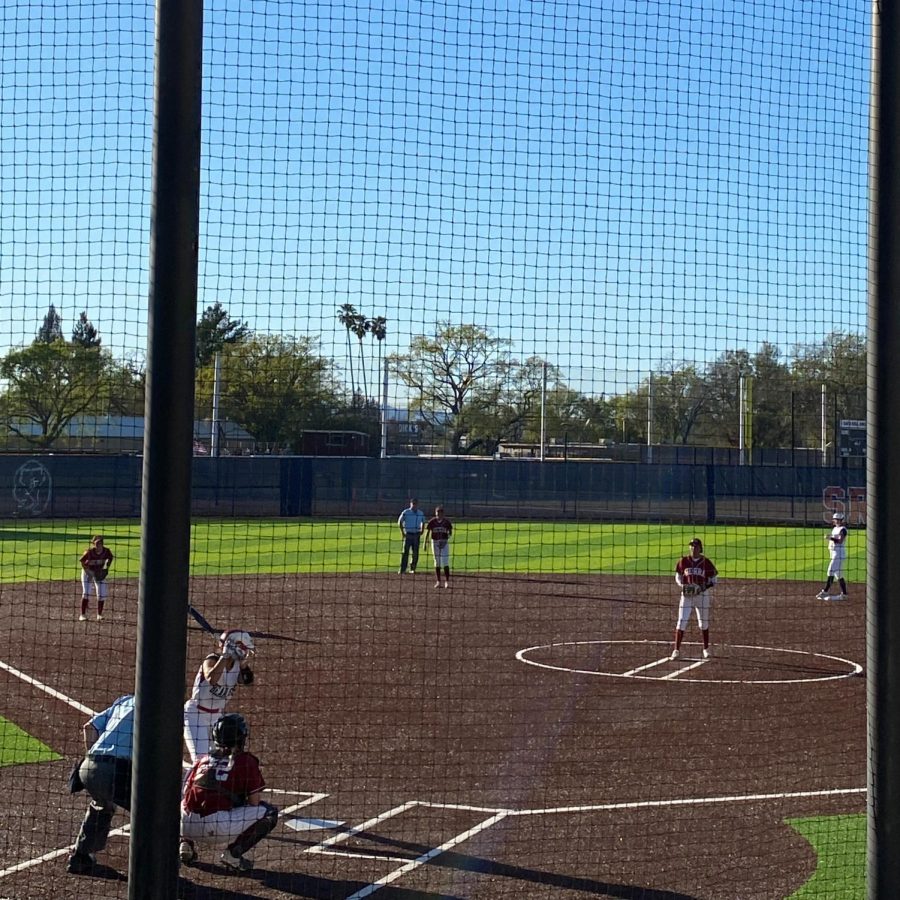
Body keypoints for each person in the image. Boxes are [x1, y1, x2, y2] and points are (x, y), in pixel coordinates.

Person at [180, 712, 279, 873]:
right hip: (216, 828)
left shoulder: (202, 760)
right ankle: (232, 855)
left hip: (183, 824)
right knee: (269, 812)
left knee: (188, 800)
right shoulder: (245, 761)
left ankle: (185, 844)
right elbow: (254, 802)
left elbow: (186, 791)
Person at [66, 694, 135, 874]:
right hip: (115, 769)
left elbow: (89, 727)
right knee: (151, 813)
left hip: (89, 765)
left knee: (102, 805)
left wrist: (96, 763)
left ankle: (80, 857)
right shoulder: (157, 710)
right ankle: (152, 866)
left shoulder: (125, 701)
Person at [183, 629, 256, 763]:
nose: (246, 652)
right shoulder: (212, 659)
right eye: (244, 648)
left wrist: (244, 666)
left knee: (220, 759)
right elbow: (211, 678)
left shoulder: (238, 665)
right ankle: (190, 784)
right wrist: (224, 656)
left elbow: (248, 682)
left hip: (217, 717)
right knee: (201, 760)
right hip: (196, 714)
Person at [670, 538, 718, 661]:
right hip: (686, 596)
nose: (693, 548)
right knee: (681, 621)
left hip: (702, 596)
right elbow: (678, 577)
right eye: (691, 546)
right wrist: (683, 586)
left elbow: (714, 580)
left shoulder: (706, 562)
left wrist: (702, 587)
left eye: (695, 546)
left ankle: (706, 649)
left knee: (703, 623)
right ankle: (676, 650)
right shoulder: (683, 561)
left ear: (700, 548)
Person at [79, 535, 113, 621]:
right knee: (86, 592)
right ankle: (82, 615)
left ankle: (99, 615)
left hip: (99, 572)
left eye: (100, 543)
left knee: (101, 593)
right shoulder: (89, 552)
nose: (98, 546)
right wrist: (88, 572)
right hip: (87, 572)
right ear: (93, 544)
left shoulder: (106, 551)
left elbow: (110, 558)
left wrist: (106, 567)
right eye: (96, 544)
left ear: (102, 544)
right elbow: (82, 561)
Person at [817, 511, 849, 600]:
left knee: (830, 571)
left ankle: (825, 591)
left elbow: (840, 541)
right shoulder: (835, 528)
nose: (837, 521)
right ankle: (844, 594)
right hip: (833, 553)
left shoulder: (843, 529)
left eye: (839, 520)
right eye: (836, 519)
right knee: (838, 575)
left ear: (841, 520)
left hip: (838, 554)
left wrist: (829, 537)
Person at [426, 506, 453, 588]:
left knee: (445, 561)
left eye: (440, 514)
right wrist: (425, 543)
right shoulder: (432, 522)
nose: (439, 515)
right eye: (437, 514)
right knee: (437, 562)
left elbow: (450, 532)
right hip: (434, 542)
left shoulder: (447, 522)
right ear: (435, 513)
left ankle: (447, 581)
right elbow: (428, 532)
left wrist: (446, 540)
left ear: (443, 514)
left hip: (444, 542)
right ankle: (438, 581)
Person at [397, 497, 426, 574]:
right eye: (413, 504)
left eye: (416, 504)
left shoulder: (420, 513)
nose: (414, 505)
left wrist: (422, 530)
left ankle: (412, 568)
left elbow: (423, 522)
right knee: (405, 552)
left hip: (416, 535)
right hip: (408, 534)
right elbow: (399, 522)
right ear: (411, 504)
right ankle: (402, 569)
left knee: (415, 552)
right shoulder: (406, 512)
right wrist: (402, 532)